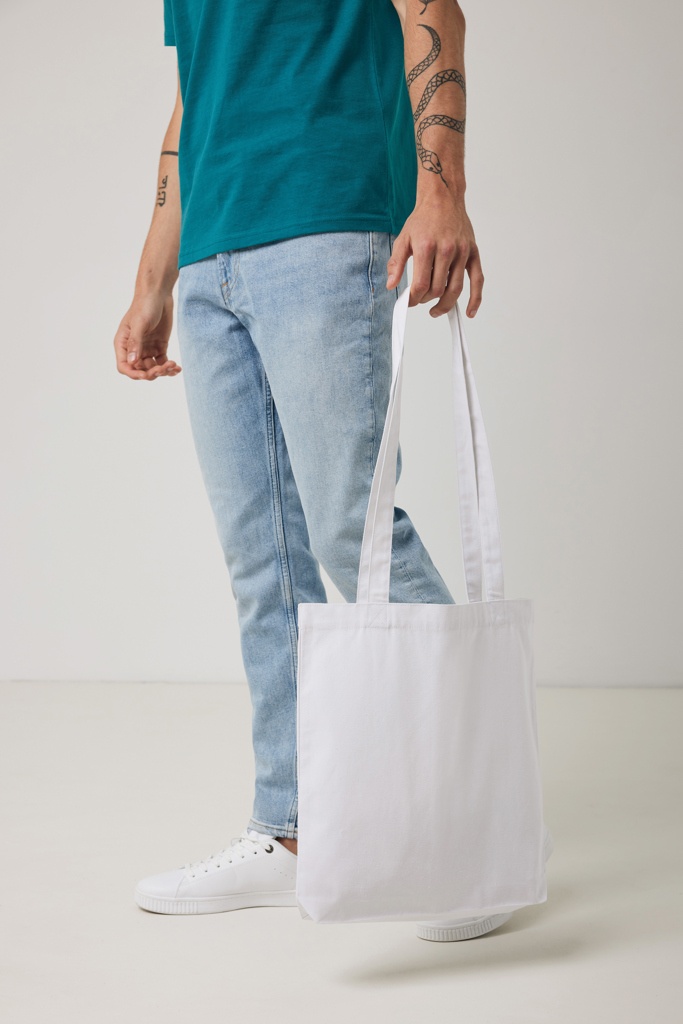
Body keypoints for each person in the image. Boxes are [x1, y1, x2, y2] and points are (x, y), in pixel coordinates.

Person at [114, 0, 507, 943]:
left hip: (325, 224)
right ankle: (291, 829)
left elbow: (431, 11)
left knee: (351, 530)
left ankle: (475, 838)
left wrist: (441, 190)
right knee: (264, 562)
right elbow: (195, 95)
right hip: (211, 259)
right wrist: (153, 281)